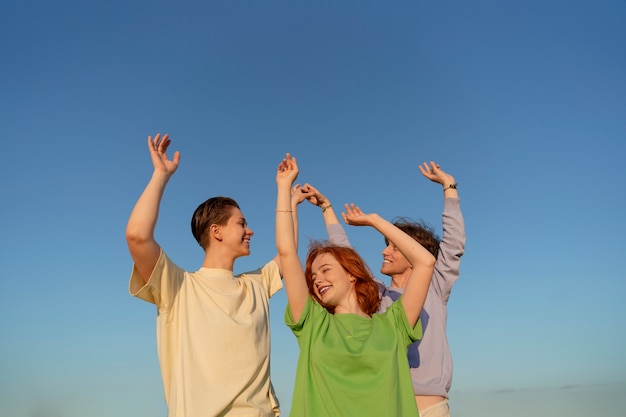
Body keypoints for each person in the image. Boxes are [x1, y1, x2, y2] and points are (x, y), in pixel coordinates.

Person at [126, 133, 295, 417]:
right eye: (242, 223)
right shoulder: (179, 287)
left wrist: (285, 192)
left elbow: (287, 254)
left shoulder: (256, 283)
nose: (250, 230)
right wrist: (160, 175)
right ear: (216, 231)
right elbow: (137, 236)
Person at [275, 153, 436, 417]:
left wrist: (375, 221)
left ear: (351, 274)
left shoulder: (394, 324)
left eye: (325, 270)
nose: (317, 280)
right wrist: (283, 188)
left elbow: (425, 262)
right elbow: (286, 253)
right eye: (313, 277)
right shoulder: (313, 323)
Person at [303, 162, 466, 417]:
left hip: (431, 408)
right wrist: (326, 208)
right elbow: (345, 257)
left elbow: (454, 242)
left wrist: (449, 186)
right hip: (389, 405)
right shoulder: (378, 297)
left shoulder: (436, 285)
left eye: (393, 246)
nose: (384, 251)